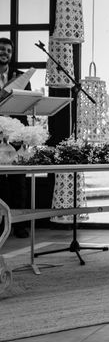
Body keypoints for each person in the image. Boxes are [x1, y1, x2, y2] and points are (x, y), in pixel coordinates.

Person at [0, 37, 31, 238]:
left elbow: (27, 105)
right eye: (1, 49)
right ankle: (1, 224)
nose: (5, 53)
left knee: (18, 181)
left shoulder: (20, 77)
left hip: (16, 133)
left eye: (8, 51)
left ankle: (20, 225)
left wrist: (24, 135)